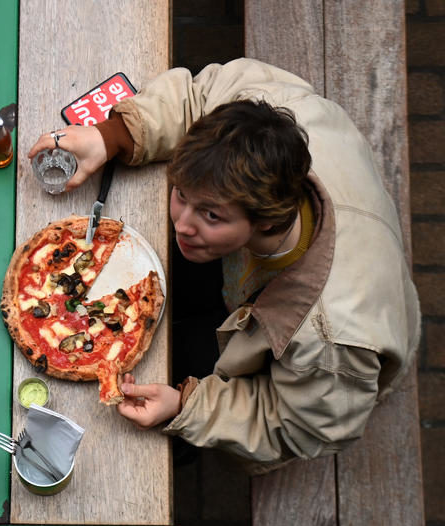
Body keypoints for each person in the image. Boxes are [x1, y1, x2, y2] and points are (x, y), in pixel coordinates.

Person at [29, 58, 420, 474]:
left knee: (167, 390)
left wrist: (187, 407)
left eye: (212, 216)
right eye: (181, 193)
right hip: (259, 278)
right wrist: (112, 136)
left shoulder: (331, 344)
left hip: (318, 371)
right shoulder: (269, 115)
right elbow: (197, 98)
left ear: (266, 219)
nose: (182, 223)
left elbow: (302, 428)